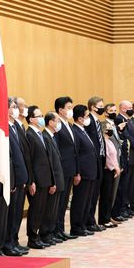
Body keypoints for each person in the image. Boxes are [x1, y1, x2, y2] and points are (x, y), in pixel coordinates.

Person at [25, 106, 55, 249]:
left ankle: (37, 236)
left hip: (45, 178)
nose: (42, 118)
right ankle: (32, 237)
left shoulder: (39, 134)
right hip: (37, 179)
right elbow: (29, 160)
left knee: (42, 209)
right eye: (39, 115)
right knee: (35, 209)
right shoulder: (29, 134)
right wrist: (31, 181)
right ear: (31, 119)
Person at [3, 97, 29, 256]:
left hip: (21, 177)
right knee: (11, 213)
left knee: (18, 213)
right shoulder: (5, 128)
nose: (16, 110)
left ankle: (14, 241)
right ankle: (8, 244)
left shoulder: (15, 127)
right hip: (13, 178)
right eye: (12, 107)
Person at [70, 105, 99, 236]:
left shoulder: (83, 130)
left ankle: (83, 224)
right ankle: (76, 227)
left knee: (87, 201)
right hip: (83, 172)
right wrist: (78, 172)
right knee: (79, 201)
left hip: (91, 171)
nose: (89, 119)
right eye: (87, 116)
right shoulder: (75, 131)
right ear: (81, 118)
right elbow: (76, 153)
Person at [53, 97, 79, 241]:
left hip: (71, 168)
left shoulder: (69, 125)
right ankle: (56, 229)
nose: (71, 110)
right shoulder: (58, 126)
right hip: (62, 169)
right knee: (59, 201)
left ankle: (61, 228)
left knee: (64, 203)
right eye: (69, 107)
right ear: (61, 110)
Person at [41, 112, 65, 245]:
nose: (59, 123)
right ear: (50, 122)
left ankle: (50, 232)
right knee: (49, 209)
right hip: (53, 179)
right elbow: (49, 161)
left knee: (54, 209)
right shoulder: (45, 137)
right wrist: (53, 181)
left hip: (58, 177)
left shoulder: (52, 137)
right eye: (57, 121)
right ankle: (45, 234)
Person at [84, 97, 106, 232]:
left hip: (100, 158)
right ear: (93, 107)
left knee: (96, 192)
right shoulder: (89, 121)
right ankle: (89, 221)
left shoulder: (97, 121)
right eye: (100, 105)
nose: (102, 108)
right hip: (93, 160)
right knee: (91, 194)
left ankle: (92, 220)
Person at [101, 122, 121, 227]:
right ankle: (103, 219)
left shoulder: (109, 141)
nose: (111, 130)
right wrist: (114, 167)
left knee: (110, 196)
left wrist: (117, 167)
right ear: (103, 130)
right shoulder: (103, 142)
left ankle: (108, 217)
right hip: (107, 170)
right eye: (109, 128)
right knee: (105, 196)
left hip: (113, 170)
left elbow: (115, 156)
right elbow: (107, 157)